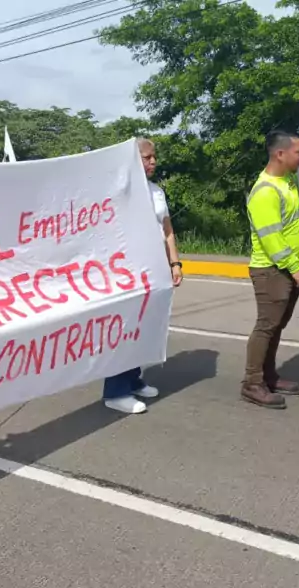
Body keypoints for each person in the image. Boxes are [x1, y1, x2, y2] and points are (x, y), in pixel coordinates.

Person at [99, 138, 184, 414]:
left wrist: (175, 263)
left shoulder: (157, 192)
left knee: (144, 328)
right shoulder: (117, 193)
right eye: (147, 157)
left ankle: (133, 380)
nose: (153, 161)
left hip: (155, 270)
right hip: (127, 273)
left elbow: (167, 231)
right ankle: (115, 392)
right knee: (124, 329)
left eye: (154, 157)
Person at [242, 131, 299, 410]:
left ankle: (268, 376)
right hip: (272, 270)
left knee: (277, 326)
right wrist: (295, 267)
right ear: (279, 154)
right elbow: (271, 238)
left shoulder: (288, 182)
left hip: (288, 270)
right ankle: (252, 383)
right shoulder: (265, 191)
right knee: (267, 326)